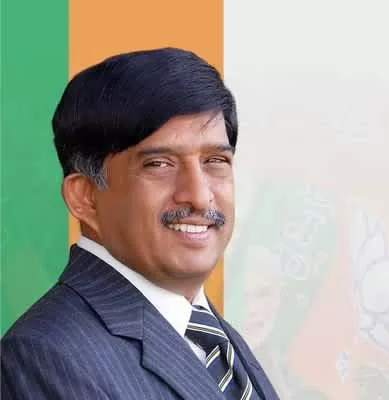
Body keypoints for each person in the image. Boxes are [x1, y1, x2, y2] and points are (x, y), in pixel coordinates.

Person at [1, 48, 279, 399]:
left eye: (215, 160)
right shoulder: (48, 354)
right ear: (85, 196)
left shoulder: (213, 336)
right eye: (159, 164)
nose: (199, 196)